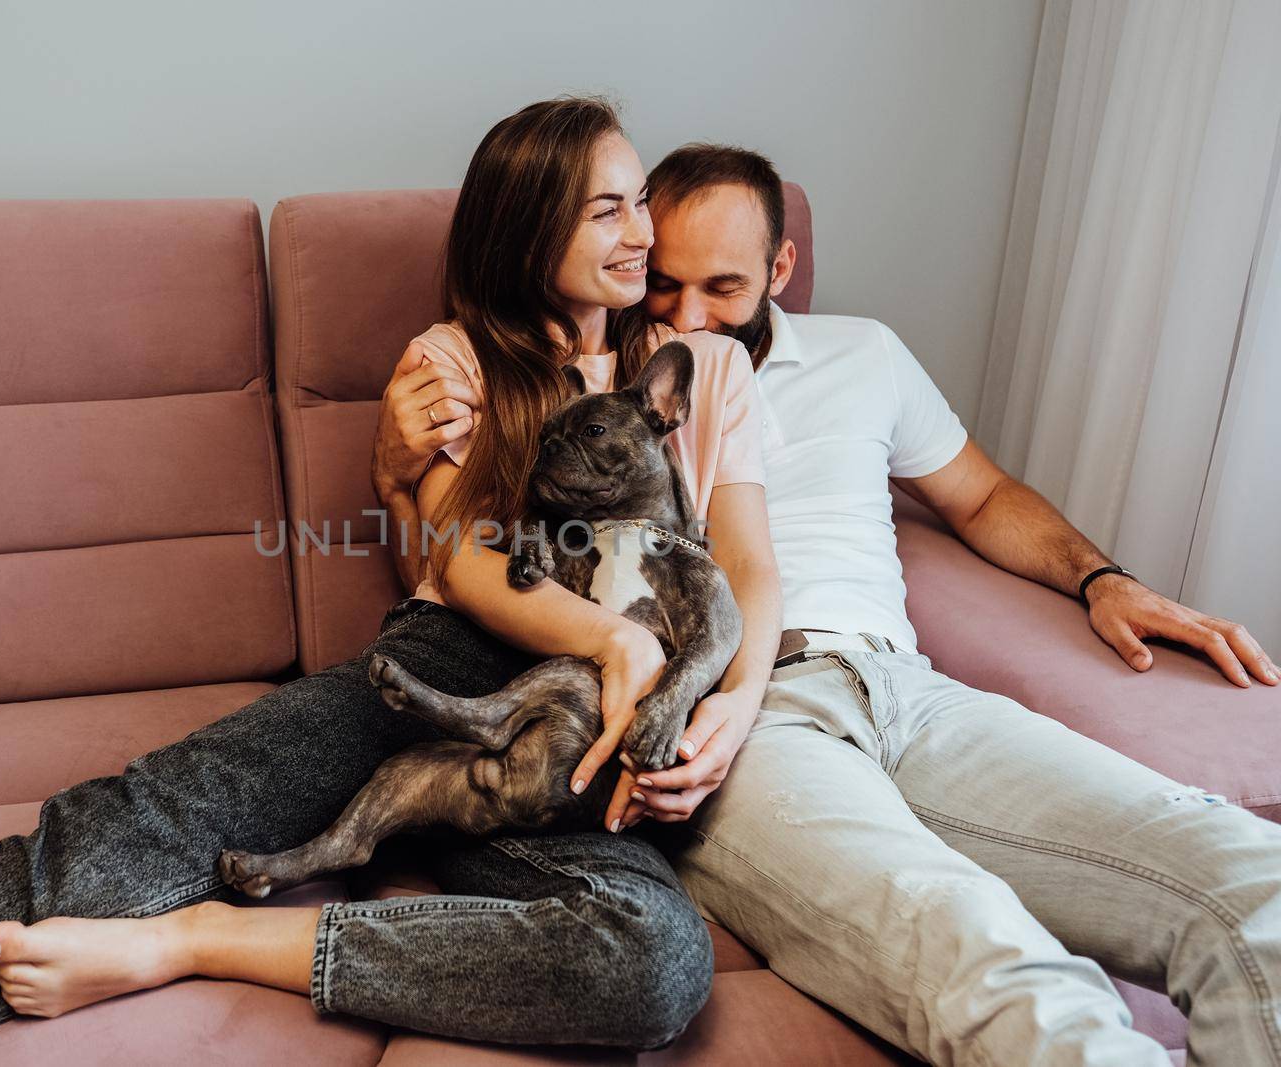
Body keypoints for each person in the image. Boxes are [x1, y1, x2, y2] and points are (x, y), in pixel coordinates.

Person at [0, 100, 783, 1067]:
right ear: (528, 226)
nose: (642, 231)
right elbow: (457, 562)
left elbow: (745, 566)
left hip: (574, 749)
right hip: (445, 668)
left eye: (638, 200)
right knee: (142, 818)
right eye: (606, 210)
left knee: (656, 963)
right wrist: (606, 637)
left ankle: (191, 939)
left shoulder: (700, 370)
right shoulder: (450, 360)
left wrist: (725, 703)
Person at [373, 141, 1281, 1066]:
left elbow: (983, 497)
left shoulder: (867, 353)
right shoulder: (610, 381)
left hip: (909, 692)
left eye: (722, 287)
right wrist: (399, 483)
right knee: (989, 957)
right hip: (750, 717)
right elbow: (472, 561)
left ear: (782, 268)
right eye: (666, 285)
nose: (689, 317)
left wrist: (1103, 579)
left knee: (1249, 879)